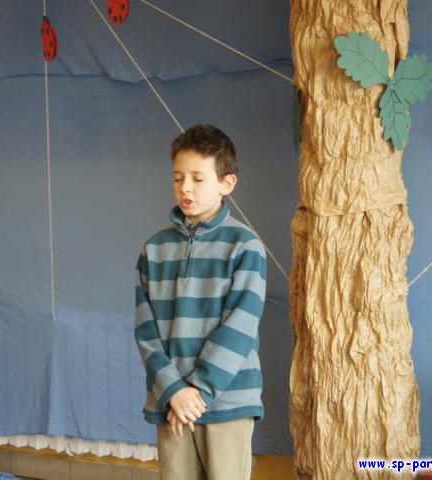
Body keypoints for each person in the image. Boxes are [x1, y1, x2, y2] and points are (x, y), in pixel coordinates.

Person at [135, 124, 267, 480]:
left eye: (197, 178)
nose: (186, 188)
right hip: (171, 403)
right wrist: (174, 390)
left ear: (227, 183)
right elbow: (145, 331)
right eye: (178, 178)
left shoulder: (245, 246)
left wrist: (199, 390)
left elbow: (241, 324)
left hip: (227, 401)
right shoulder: (154, 249)